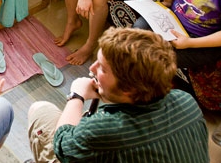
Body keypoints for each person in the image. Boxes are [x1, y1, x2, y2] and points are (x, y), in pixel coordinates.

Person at [27, 28, 209, 162]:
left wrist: (77, 95)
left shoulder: (105, 129)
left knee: (40, 110)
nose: (92, 69)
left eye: (102, 69)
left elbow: (61, 144)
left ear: (128, 89)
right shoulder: (187, 101)